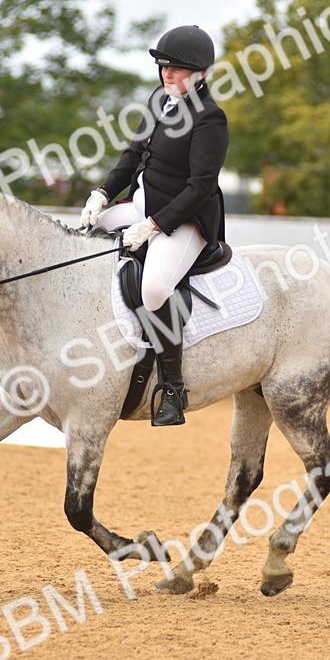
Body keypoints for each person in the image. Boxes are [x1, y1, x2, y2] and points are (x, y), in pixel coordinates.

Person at [80, 25, 228, 427]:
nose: (167, 74)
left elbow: (201, 187)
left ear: (199, 73)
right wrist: (102, 194)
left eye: (176, 69)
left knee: (155, 288)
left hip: (185, 220)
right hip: (141, 203)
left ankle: (174, 390)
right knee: (84, 241)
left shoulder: (211, 119)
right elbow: (133, 155)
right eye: (164, 66)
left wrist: (154, 226)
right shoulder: (159, 99)